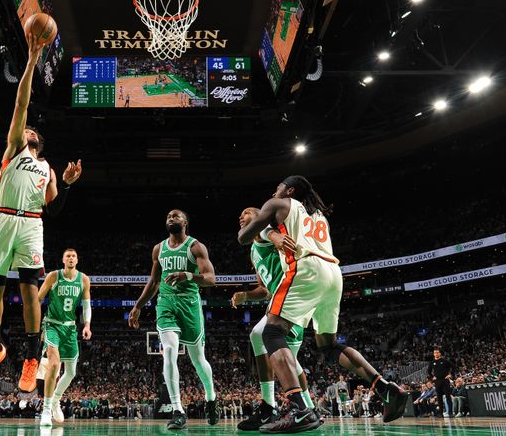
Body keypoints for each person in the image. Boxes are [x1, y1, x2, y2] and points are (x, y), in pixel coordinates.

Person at [237, 176, 408, 433]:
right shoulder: (318, 215)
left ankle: (299, 409)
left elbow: (243, 236)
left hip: (306, 271)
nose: (275, 191)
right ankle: (386, 388)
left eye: (279, 187)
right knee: (328, 346)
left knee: (270, 331)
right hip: (333, 274)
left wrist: (269, 232)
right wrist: (272, 233)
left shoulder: (279, 204)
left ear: (290, 190)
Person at [0, 31, 82, 392]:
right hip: (3, 217)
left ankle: (31, 355)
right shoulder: (13, 150)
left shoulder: (48, 168)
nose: (28, 128)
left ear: (40, 142)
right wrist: (33, 59)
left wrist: (66, 184)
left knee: (29, 291)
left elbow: (54, 211)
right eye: (26, 128)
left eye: (32, 130)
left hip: (32, 224)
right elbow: (21, 106)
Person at [129, 210, 219, 430]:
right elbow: (154, 281)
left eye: (176, 216)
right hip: (166, 302)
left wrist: (187, 275)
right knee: (169, 351)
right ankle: (178, 410)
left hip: (189, 303)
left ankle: (211, 398)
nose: (171, 218)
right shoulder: (159, 249)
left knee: (198, 360)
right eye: (168, 216)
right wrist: (138, 306)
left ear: (185, 222)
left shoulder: (195, 247)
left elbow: (211, 279)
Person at [231, 207, 315, 430]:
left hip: (292, 298)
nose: (241, 216)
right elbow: (264, 289)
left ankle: (304, 409)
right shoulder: (252, 251)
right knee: (258, 335)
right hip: (276, 301)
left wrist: (274, 234)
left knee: (290, 359)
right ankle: (271, 406)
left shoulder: (264, 233)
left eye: (246, 212)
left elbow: (268, 230)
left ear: (258, 216)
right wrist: (247, 295)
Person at [38, 248, 92, 426]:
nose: (71, 258)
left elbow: (86, 305)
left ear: (77, 260)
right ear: (63, 259)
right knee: (54, 365)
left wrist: (87, 325)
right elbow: (38, 299)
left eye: (73, 256)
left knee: (71, 372)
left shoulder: (83, 279)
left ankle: (55, 400)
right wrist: (37, 325)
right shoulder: (54, 276)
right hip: (52, 324)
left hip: (70, 328)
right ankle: (46, 410)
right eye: (68, 256)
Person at [428, 349, 454, 417]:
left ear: (440, 354)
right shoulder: (432, 362)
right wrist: (432, 377)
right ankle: (441, 413)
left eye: (437, 352)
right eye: (435, 353)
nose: (436, 354)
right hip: (437, 381)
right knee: (439, 397)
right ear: (433, 354)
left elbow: (454, 367)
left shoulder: (445, 361)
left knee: (448, 396)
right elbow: (429, 371)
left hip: (445, 380)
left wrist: (451, 375)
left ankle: (450, 412)